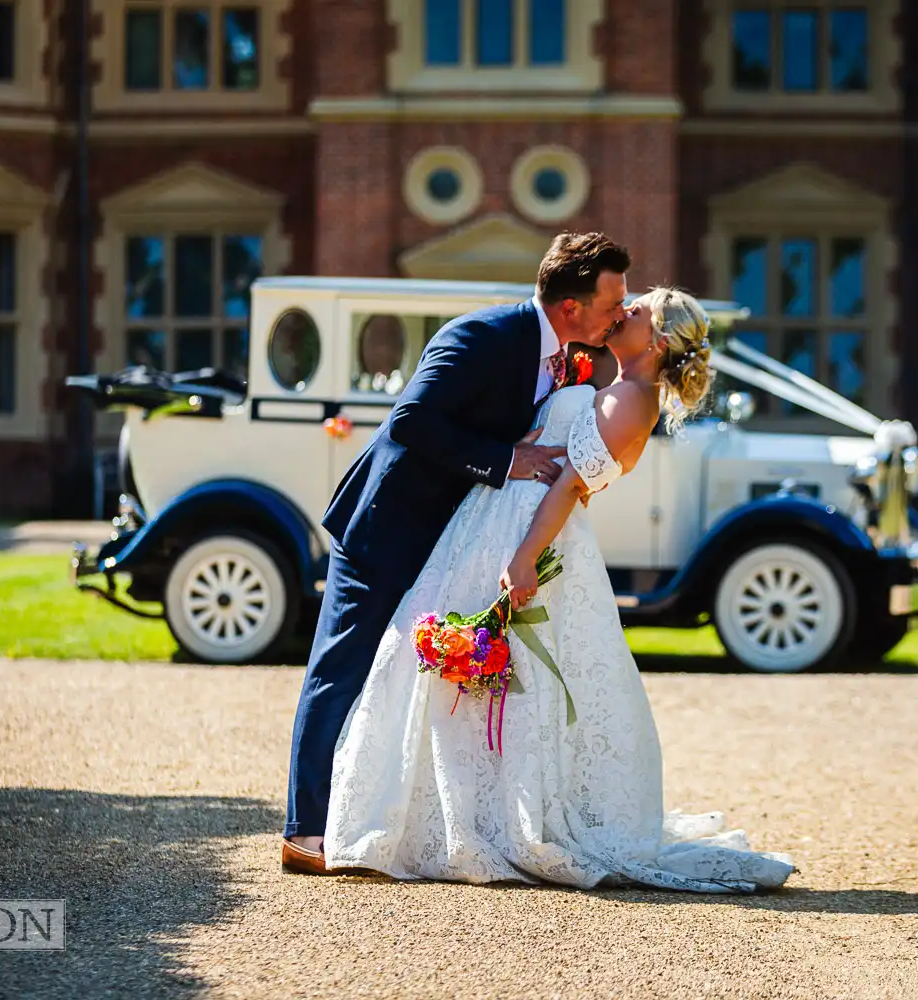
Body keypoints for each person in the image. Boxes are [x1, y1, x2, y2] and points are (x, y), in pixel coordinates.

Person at [323, 287, 795, 893]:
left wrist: (523, 559)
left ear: (655, 342)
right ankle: (453, 809)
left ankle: (489, 818)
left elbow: (571, 487)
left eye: (636, 311)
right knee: (474, 676)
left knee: (510, 679)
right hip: (499, 520)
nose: (622, 313)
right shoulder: (615, 386)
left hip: (530, 534)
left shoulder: (630, 399)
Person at [281, 233, 631, 873]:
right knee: (346, 668)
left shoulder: (567, 357)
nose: (622, 312)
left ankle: (387, 817)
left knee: (402, 677)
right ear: (572, 306)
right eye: (613, 300)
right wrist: (506, 461)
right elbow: (411, 419)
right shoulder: (482, 337)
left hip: (453, 539)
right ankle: (304, 831)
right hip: (389, 528)